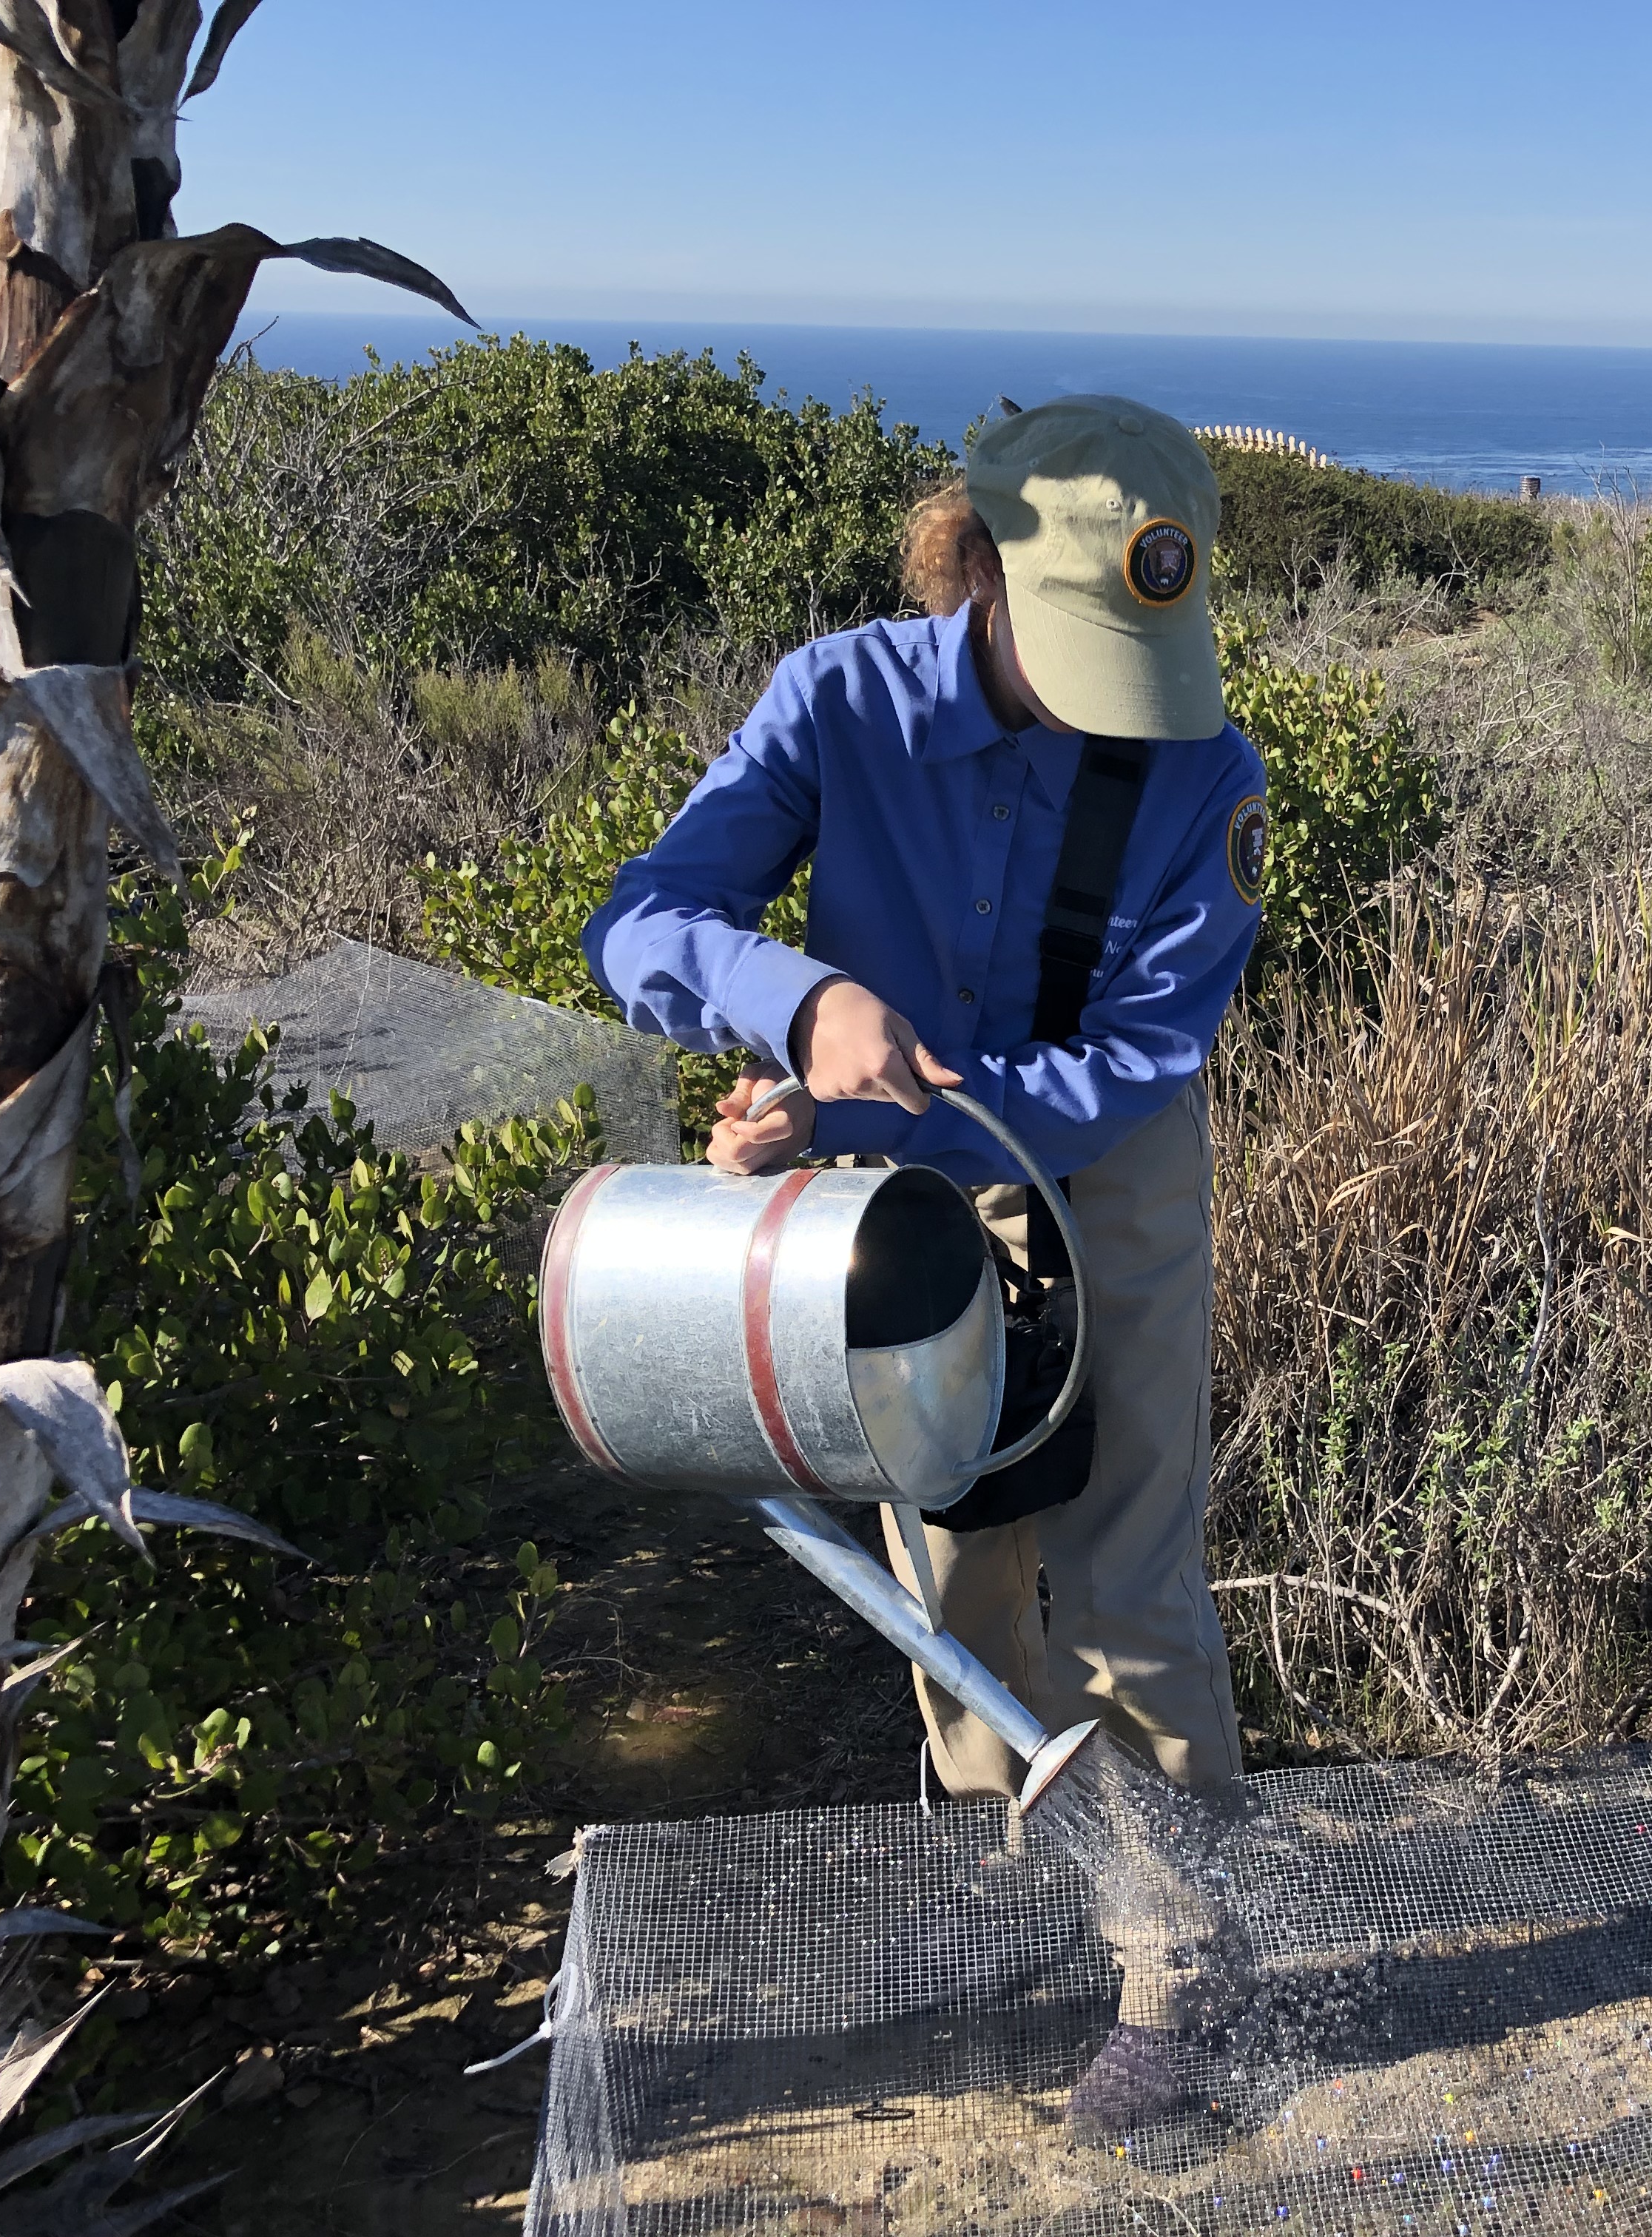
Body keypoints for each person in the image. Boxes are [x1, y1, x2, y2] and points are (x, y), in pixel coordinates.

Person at [581, 397, 1267, 2134]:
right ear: (986, 568)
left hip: (1106, 1170)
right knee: (953, 1569)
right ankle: (1027, 1908)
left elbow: (1136, 1059)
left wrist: (856, 1121)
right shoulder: (837, 702)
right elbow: (644, 921)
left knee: (1128, 1572)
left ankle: (1175, 1974)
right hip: (892, 1190)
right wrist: (800, 1009)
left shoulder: (1207, 773)